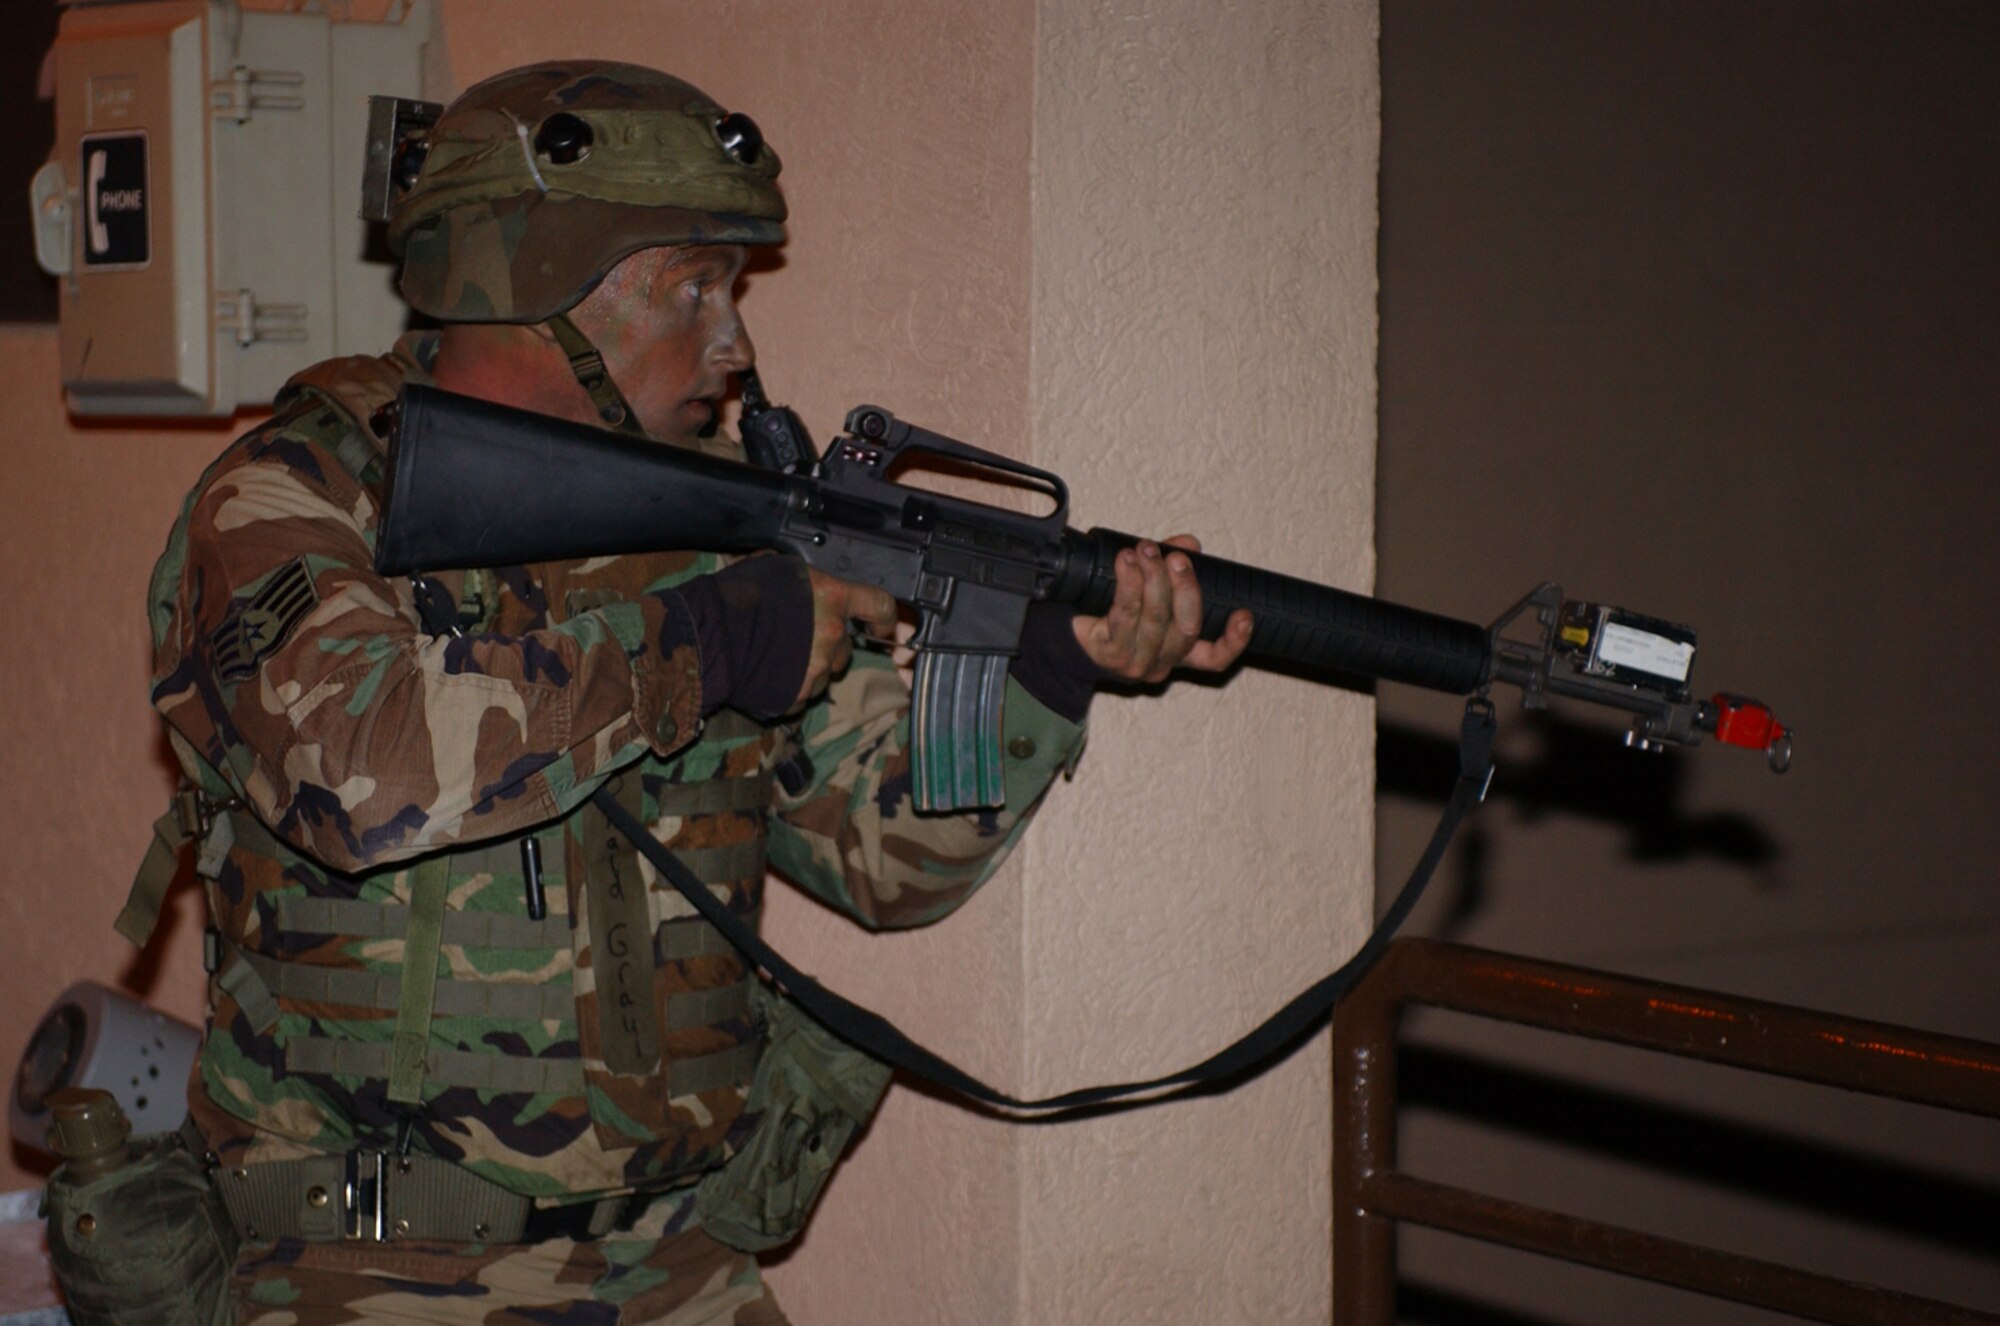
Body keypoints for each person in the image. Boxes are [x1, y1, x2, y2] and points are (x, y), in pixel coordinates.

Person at [145, 60, 1251, 1324]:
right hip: (367, 1274)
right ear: (539, 284)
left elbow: (886, 858)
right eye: (696, 288)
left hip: (678, 1273)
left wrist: (1054, 669)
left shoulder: (718, 532)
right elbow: (361, 771)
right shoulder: (292, 501)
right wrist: (711, 643)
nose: (737, 340)